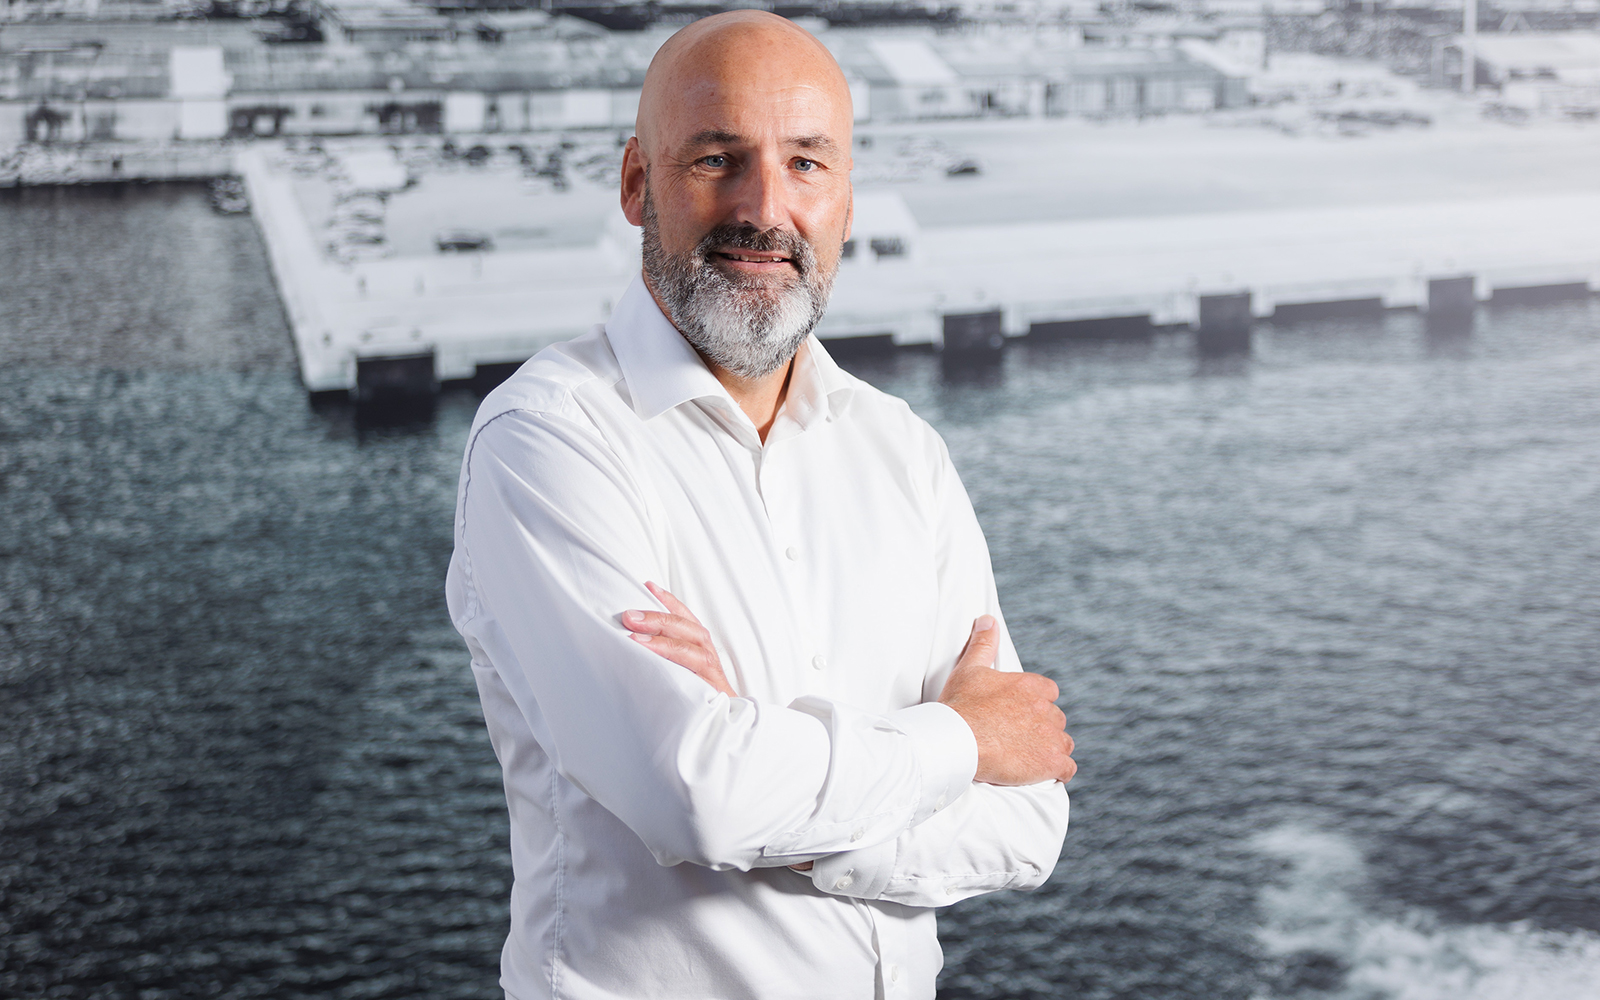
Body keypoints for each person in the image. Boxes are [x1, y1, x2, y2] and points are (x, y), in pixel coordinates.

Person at [446, 11, 1076, 999]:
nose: (764, 208)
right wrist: (959, 742)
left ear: (847, 202)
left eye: (806, 164)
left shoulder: (902, 451)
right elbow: (693, 794)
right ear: (636, 182)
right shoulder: (547, 439)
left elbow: (1028, 819)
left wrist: (761, 761)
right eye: (715, 159)